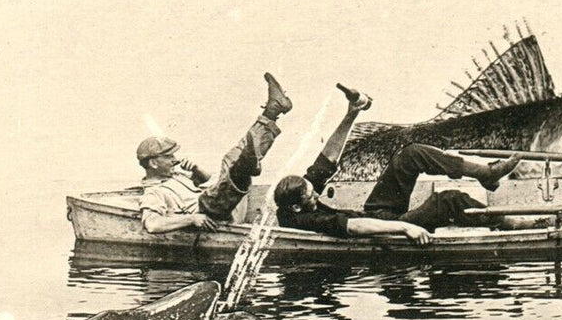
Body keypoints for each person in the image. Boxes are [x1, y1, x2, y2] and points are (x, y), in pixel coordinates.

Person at [273, 84, 520, 243]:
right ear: (297, 208)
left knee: (410, 154)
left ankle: (485, 173)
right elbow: (356, 227)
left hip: (376, 211)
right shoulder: (305, 220)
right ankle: (513, 225)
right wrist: (404, 228)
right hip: (385, 228)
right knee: (448, 200)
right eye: (311, 196)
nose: (315, 193)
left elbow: (327, 158)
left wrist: (352, 113)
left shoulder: (300, 196)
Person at [137, 72, 293, 233]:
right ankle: (246, 164)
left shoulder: (174, 175)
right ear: (153, 163)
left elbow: (207, 180)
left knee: (229, 160)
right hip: (214, 214)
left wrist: (196, 170)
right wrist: (192, 219)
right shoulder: (153, 192)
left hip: (228, 204)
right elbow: (152, 224)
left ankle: (272, 112)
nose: (174, 160)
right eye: (168, 157)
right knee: (225, 176)